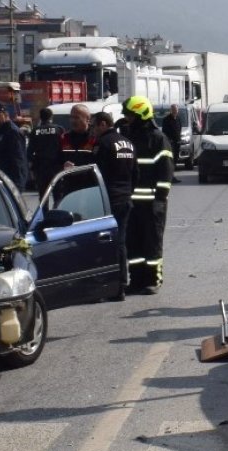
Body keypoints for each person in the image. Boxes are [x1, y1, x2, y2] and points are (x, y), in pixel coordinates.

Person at [121, 95, 174, 294]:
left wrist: (160, 199)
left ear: (141, 114)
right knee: (133, 243)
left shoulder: (158, 139)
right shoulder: (129, 137)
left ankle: (153, 280)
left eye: (130, 115)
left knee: (152, 243)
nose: (127, 119)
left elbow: (166, 171)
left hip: (152, 202)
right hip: (132, 202)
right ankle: (136, 279)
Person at [93, 111, 137, 299]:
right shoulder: (127, 143)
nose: (93, 130)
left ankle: (113, 286)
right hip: (125, 198)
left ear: (103, 124)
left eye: (94, 126)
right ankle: (122, 281)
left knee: (105, 243)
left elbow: (98, 174)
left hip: (108, 199)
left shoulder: (103, 143)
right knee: (121, 242)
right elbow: (136, 173)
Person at [0, 103, 28, 189]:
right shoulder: (1, 131)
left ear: (4, 115)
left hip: (12, 180)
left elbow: (18, 159)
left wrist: (17, 182)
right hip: (3, 177)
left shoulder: (12, 132)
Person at [27, 107, 65, 196]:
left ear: (41, 117)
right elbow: (64, 148)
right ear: (51, 117)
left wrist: (34, 163)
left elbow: (29, 152)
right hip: (56, 167)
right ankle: (57, 209)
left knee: (43, 195)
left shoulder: (35, 131)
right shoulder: (59, 129)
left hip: (41, 168)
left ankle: (45, 210)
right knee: (58, 194)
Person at [59, 103, 96, 168]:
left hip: (90, 176)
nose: (73, 121)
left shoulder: (95, 138)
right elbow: (55, 161)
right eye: (71, 117)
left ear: (88, 119)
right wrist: (63, 165)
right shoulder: (64, 138)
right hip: (69, 176)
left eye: (76, 118)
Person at [160, 104, 183, 183]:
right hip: (171, 143)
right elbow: (164, 132)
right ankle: (170, 177)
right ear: (171, 110)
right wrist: (169, 140)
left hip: (177, 143)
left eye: (176, 110)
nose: (175, 111)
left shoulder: (178, 119)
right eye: (173, 110)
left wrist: (179, 139)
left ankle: (173, 176)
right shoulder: (166, 120)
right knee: (171, 160)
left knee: (176, 159)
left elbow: (179, 129)